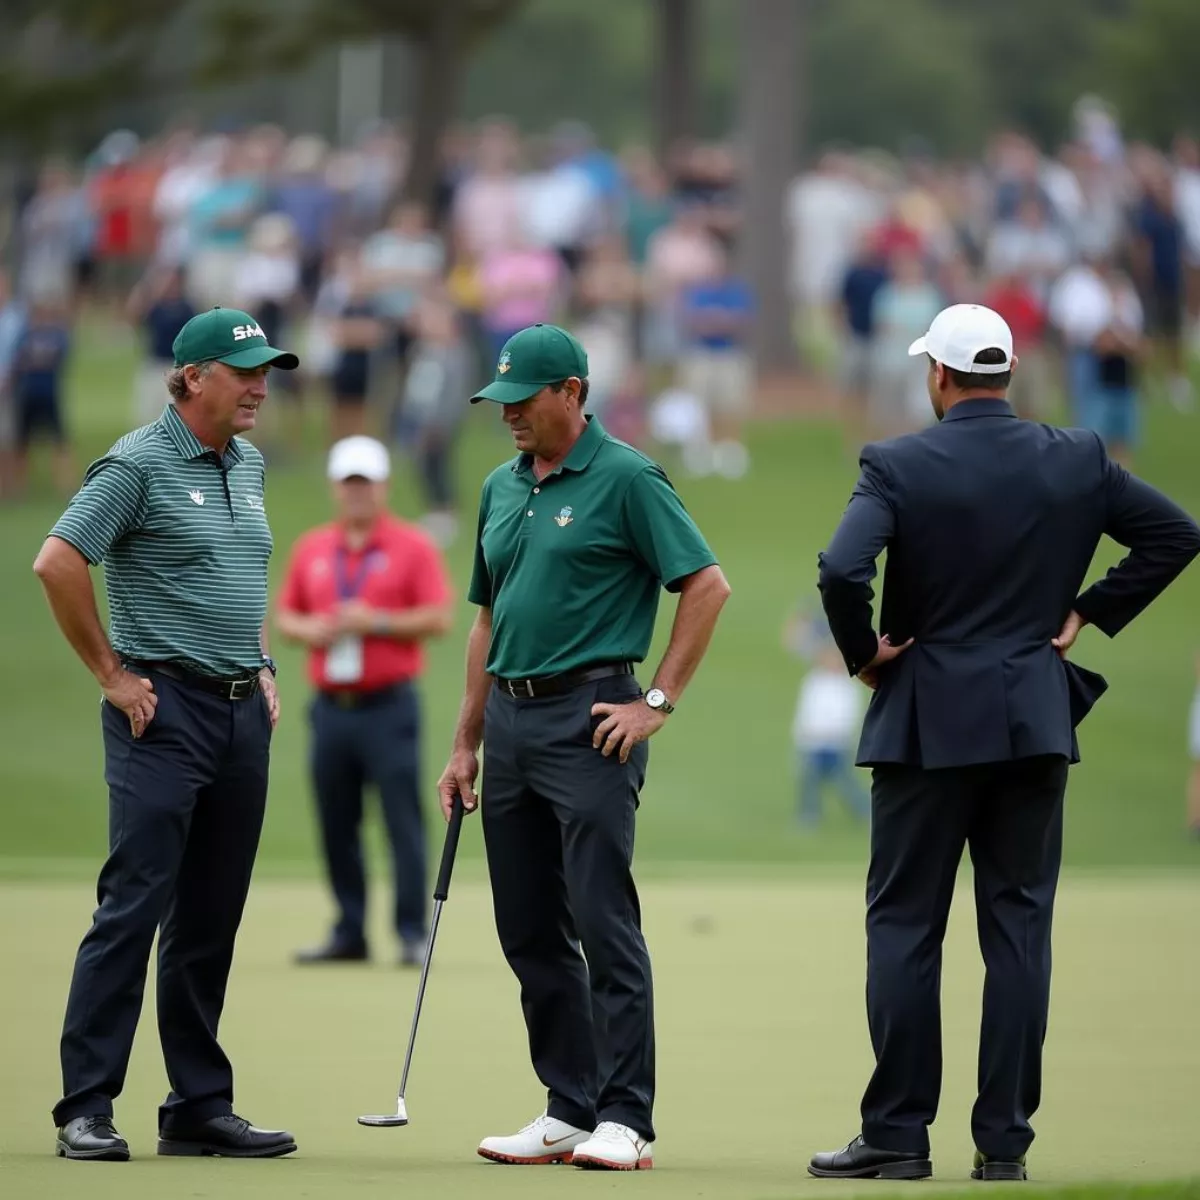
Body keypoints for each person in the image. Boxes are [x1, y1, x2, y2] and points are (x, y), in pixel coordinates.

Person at [808, 304, 1200, 1182]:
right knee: (1018, 930)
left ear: (938, 377)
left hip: (925, 721)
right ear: (1008, 373)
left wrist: (864, 653)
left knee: (907, 927)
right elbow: (1177, 534)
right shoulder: (1079, 456)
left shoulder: (898, 462)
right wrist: (1088, 611)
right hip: (1032, 718)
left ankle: (899, 1137)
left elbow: (840, 569)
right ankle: (1005, 1146)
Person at [437, 323, 730, 1171]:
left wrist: (657, 702)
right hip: (514, 726)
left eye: (523, 401)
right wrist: (466, 740)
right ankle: (569, 1104)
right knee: (528, 926)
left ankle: (625, 1118)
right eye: (500, 403)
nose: (509, 417)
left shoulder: (629, 477)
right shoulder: (500, 485)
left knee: (603, 922)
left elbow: (706, 586)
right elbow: (486, 621)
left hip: (591, 720)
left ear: (571, 393)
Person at [32, 306, 301, 1162]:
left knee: (211, 913)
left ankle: (197, 1105)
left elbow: (237, 572)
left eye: (266, 372)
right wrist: (112, 675)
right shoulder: (138, 463)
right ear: (191, 377)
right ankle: (86, 1103)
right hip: (163, 709)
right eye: (244, 371)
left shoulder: (249, 463)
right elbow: (59, 559)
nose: (260, 386)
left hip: (236, 713)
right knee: (136, 904)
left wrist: (258, 660)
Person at [276, 435, 453, 966]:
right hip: (331, 709)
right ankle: (349, 930)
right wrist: (315, 629)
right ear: (335, 486)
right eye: (349, 482)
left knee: (402, 821)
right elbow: (285, 618)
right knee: (336, 822)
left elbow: (439, 617)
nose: (357, 492)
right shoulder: (312, 548)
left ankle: (410, 932)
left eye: (366, 482)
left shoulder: (412, 546)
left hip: (389, 707)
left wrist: (374, 621)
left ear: (383, 487)